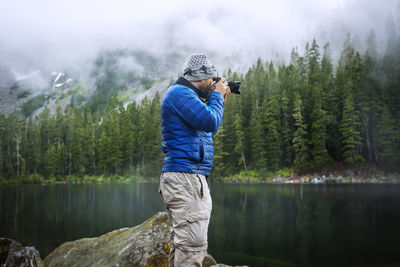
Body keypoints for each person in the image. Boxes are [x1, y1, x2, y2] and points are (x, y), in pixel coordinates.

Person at [159, 53, 230, 266]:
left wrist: (218, 100)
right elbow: (210, 122)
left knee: (184, 243)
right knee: (192, 244)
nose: (215, 83)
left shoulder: (184, 95)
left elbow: (204, 134)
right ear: (203, 76)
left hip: (187, 176)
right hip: (185, 177)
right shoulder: (180, 94)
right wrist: (216, 97)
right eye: (213, 79)